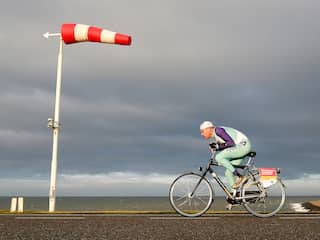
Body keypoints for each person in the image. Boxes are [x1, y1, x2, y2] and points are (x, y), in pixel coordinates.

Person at [199, 121, 252, 192]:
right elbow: (225, 146)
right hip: (241, 146)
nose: (201, 134)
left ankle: (239, 176)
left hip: (243, 146)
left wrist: (217, 147)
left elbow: (230, 143)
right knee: (228, 172)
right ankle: (234, 196)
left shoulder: (218, 130)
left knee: (219, 157)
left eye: (202, 131)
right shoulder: (217, 135)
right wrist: (216, 146)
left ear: (208, 129)